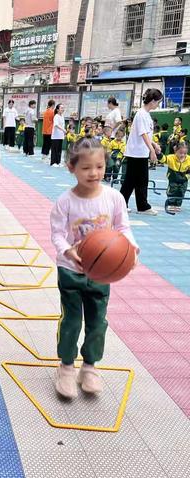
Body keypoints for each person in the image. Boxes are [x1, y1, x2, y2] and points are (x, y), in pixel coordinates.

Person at [50, 136, 138, 399]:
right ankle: (66, 367)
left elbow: (123, 228)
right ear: (71, 168)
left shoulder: (114, 198)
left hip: (100, 275)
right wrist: (68, 249)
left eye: (99, 166)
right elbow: (56, 235)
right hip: (71, 270)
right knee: (72, 321)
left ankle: (89, 367)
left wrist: (131, 249)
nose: (94, 173)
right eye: (86, 167)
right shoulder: (65, 201)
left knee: (98, 322)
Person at [120, 88, 163, 215]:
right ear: (153, 101)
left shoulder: (146, 114)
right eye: (158, 102)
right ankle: (139, 206)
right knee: (134, 180)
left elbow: (147, 134)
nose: (158, 104)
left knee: (137, 180)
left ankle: (138, 205)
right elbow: (143, 134)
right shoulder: (141, 114)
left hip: (140, 152)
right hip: (136, 153)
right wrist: (152, 151)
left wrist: (154, 145)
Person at [159, 141, 190, 212]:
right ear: (176, 150)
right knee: (172, 190)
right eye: (180, 153)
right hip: (173, 178)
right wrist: (159, 153)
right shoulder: (171, 157)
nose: (183, 155)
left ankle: (178, 205)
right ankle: (171, 204)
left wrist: (186, 177)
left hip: (183, 179)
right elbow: (163, 159)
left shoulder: (189, 159)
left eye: (185, 153)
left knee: (181, 191)